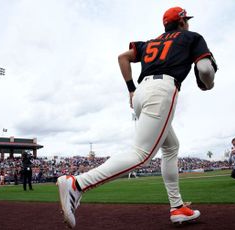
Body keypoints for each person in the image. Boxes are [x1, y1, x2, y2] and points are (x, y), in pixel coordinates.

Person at [57, 6, 217, 228]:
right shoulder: (192, 37)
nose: (188, 23)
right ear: (181, 22)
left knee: (171, 147)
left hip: (142, 92)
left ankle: (177, 207)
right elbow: (206, 71)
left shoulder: (150, 42)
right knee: (141, 154)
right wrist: (209, 84)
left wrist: (132, 89)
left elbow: (122, 57)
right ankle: (77, 184)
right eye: (186, 20)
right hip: (162, 90)